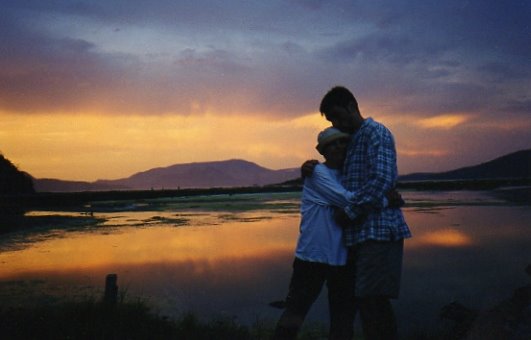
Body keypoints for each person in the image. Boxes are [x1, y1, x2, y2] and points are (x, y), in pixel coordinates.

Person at [273, 127, 404, 340]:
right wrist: (385, 199)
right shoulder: (317, 173)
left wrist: (374, 197)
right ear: (323, 151)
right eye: (332, 144)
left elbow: (358, 200)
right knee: (296, 312)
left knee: (342, 319)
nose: (338, 147)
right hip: (312, 257)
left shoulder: (350, 176)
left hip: (343, 259)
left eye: (342, 142)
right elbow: (349, 200)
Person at [303, 86, 412, 340]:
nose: (338, 124)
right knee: (368, 303)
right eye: (333, 121)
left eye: (339, 116)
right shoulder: (352, 140)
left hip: (379, 232)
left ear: (352, 105)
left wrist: (349, 212)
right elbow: (340, 179)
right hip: (361, 236)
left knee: (373, 302)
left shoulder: (376, 133)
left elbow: (380, 180)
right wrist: (311, 167)